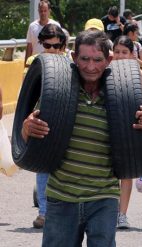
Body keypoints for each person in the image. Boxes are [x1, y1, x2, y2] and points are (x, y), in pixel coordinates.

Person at [20, 30, 142, 246]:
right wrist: (26, 128)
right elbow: (30, 139)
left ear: (109, 60)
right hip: (62, 196)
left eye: (97, 60)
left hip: (103, 197)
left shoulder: (124, 97)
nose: (90, 67)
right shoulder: (57, 92)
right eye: (84, 59)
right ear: (74, 58)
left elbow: (139, 147)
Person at [24, 23, 67, 229]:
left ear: (63, 46)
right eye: (47, 46)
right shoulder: (35, 64)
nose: (52, 50)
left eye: (56, 46)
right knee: (43, 169)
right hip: (42, 120)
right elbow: (27, 97)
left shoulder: (71, 65)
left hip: (66, 121)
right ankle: (43, 212)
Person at [112, 35, 142, 229]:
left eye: (124, 52)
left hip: (130, 129)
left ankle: (122, 214)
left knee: (126, 173)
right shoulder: (105, 72)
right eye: (117, 52)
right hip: (110, 126)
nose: (120, 56)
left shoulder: (141, 76)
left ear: (132, 54)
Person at [25, 0, 60, 67]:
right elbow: (29, 47)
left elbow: (60, 45)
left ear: (49, 11)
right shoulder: (32, 26)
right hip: (36, 63)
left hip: (52, 63)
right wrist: (26, 66)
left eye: (45, 11)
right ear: (38, 11)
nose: (43, 13)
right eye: (41, 11)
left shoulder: (56, 26)